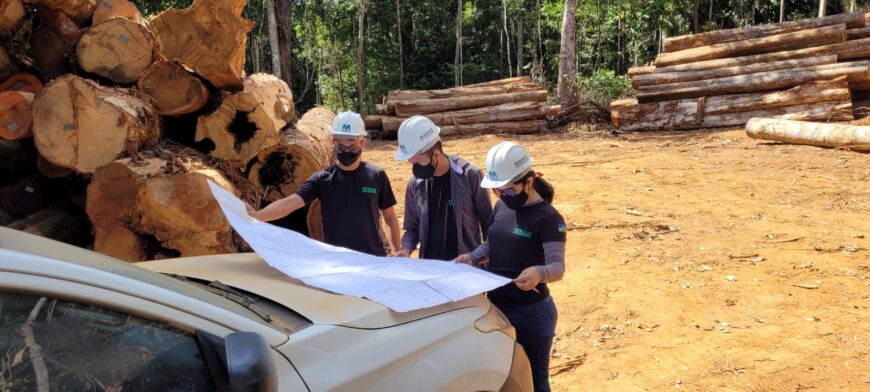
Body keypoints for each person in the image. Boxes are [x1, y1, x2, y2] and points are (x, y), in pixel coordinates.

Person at [455, 141, 566, 392]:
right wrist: (472, 257)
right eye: (498, 191)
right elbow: (492, 245)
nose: (503, 196)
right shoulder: (501, 206)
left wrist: (540, 273)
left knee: (534, 382)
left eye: (508, 190)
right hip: (497, 306)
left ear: (529, 181)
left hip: (531, 314)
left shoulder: (549, 218)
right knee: (504, 375)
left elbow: (557, 266)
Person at [247, 111, 402, 256]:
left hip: (372, 259)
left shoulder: (376, 176)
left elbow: (390, 218)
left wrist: (396, 251)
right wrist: (258, 215)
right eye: (341, 146)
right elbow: (290, 203)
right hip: (336, 261)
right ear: (332, 142)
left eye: (352, 145)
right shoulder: (322, 179)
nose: (346, 151)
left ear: (362, 143)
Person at [391, 115, 493, 260]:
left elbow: (489, 223)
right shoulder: (414, 185)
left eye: (417, 163)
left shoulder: (470, 176)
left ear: (436, 155)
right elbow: (412, 229)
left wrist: (479, 256)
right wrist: (406, 249)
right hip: (430, 270)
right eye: (411, 163)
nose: (414, 168)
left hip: (466, 268)